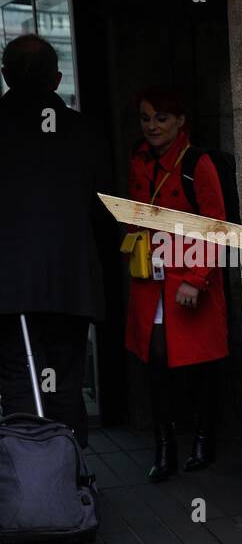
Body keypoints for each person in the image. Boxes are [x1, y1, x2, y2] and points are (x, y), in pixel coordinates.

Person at [0, 35, 106, 447]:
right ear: (57, 78)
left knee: (20, 385)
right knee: (65, 386)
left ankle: (34, 489)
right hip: (72, 283)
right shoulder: (85, 131)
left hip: (10, 292)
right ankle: (72, 482)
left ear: (6, 75)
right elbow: (104, 211)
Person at [124, 87, 229, 480]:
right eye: (146, 118)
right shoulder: (138, 158)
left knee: (199, 364)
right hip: (150, 279)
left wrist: (197, 279)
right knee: (156, 361)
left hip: (189, 277)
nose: (152, 126)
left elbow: (216, 226)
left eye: (161, 118)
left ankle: (204, 439)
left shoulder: (197, 163)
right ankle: (164, 447)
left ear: (180, 121)